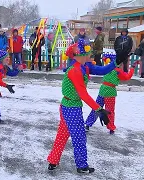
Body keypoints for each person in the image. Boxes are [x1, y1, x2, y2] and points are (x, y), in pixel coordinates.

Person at [47, 38, 120, 173]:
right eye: (87, 52)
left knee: (62, 135)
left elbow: (102, 70)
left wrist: (117, 61)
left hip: (68, 106)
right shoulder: (74, 70)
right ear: (79, 55)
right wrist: (99, 109)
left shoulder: (84, 66)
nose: (90, 54)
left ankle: (53, 160)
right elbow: (82, 93)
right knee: (79, 137)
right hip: (71, 108)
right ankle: (81, 166)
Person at [85, 55, 137, 134]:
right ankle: (111, 128)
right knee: (109, 111)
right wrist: (132, 68)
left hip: (103, 90)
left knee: (97, 108)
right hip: (110, 92)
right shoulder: (118, 71)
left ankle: (88, 124)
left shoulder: (108, 68)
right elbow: (127, 77)